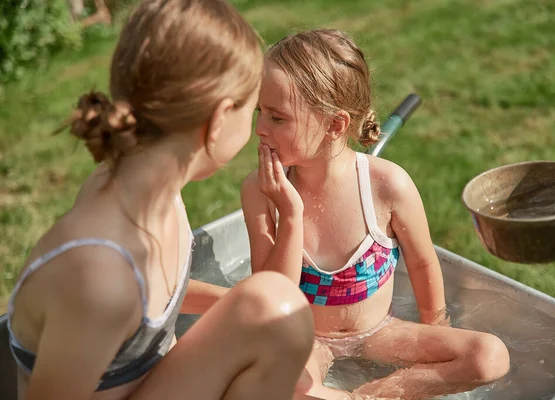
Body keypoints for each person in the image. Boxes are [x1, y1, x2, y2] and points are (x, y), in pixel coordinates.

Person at [6, 1, 315, 399]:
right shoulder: (99, 278)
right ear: (219, 119)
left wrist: (235, 306)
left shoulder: (154, 197)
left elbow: (148, 309)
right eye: (252, 110)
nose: (257, 127)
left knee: (273, 311)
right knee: (276, 307)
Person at [241, 29, 510, 400]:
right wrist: (289, 212)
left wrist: (435, 330)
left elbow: (422, 264)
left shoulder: (388, 186)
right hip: (307, 339)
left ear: (335, 125)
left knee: (489, 356)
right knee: (283, 389)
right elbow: (270, 298)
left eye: (277, 117)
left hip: (379, 332)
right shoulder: (261, 192)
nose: (259, 128)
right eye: (260, 111)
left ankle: (373, 395)